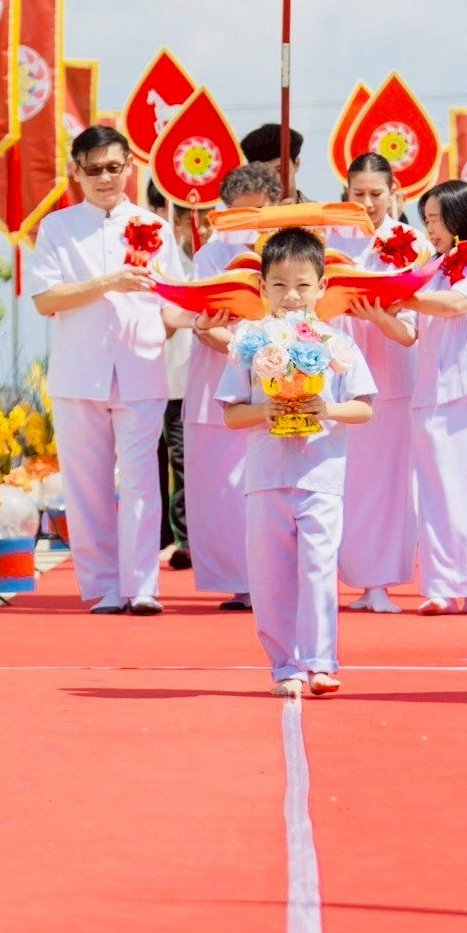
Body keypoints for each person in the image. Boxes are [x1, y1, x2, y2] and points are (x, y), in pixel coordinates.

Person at [30, 126, 185, 615]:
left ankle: (142, 586)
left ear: (129, 168)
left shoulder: (152, 225)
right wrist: (109, 282)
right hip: (80, 372)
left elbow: (174, 301)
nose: (104, 178)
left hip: (140, 368)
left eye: (113, 168)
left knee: (141, 479)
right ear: (75, 172)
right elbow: (46, 299)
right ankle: (101, 586)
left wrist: (195, 318)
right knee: (87, 484)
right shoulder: (58, 228)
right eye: (93, 169)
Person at [216, 228, 376, 697]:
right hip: (266, 476)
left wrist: (326, 409)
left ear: (323, 286)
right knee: (269, 576)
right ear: (262, 288)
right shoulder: (250, 343)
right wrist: (263, 410)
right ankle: (285, 664)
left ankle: (321, 661)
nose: (292, 296)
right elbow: (230, 413)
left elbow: (364, 407)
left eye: (303, 284)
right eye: (280, 285)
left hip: (322, 473)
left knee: (319, 567)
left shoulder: (338, 344)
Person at [368, 180, 467, 615]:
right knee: (435, 493)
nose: (429, 229)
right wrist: (379, 314)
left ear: (459, 215)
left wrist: (403, 295)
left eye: (435, 219)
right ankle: (439, 585)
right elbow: (411, 332)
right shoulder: (427, 267)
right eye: (426, 220)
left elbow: (455, 305)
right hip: (432, 391)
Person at [178, 161, 283, 608]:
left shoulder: (293, 249)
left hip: (281, 380)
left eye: (259, 213)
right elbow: (201, 322)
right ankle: (239, 582)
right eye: (240, 215)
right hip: (219, 377)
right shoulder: (212, 255)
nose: (249, 226)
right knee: (219, 491)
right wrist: (242, 342)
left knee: (267, 486)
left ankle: (275, 576)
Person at [330, 152, 421, 612]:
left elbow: (415, 313)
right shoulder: (329, 236)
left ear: (394, 192)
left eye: (375, 194)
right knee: (338, 478)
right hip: (337, 369)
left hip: (389, 368)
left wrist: (381, 314)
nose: (366, 203)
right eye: (357, 193)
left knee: (385, 481)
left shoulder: (410, 242)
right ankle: (328, 575)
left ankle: (377, 582)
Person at [147, 181, 193, 569]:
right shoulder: (154, 256)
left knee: (186, 459)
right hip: (157, 376)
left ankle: (189, 537)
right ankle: (170, 536)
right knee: (160, 458)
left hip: (194, 379)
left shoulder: (212, 258)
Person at [240, 122, 310, 202]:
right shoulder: (245, 214)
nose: (274, 179)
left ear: (296, 164)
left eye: (280, 170)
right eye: (264, 173)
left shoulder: (319, 213)